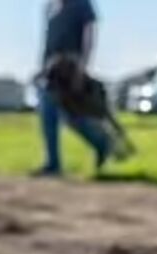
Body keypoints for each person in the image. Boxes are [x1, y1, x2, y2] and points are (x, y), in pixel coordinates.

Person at [35, 0, 115, 177]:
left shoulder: (81, 4)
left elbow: (89, 36)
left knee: (73, 118)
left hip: (69, 67)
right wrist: (41, 70)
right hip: (50, 70)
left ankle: (102, 143)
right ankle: (53, 164)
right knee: (48, 115)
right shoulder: (51, 7)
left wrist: (82, 67)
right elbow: (48, 41)